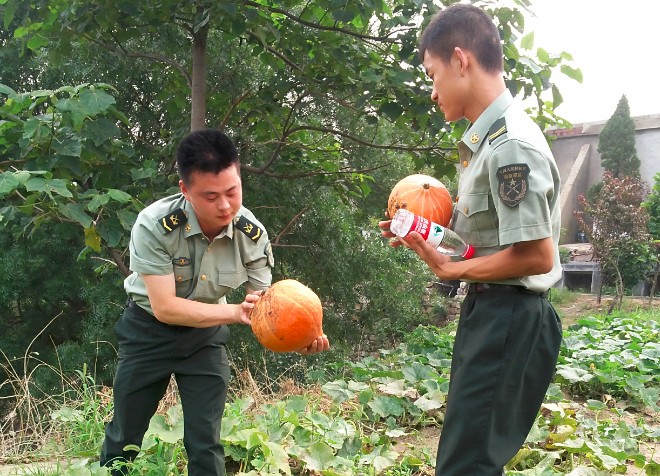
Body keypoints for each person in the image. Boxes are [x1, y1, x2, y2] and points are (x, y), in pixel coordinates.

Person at [380, 5, 563, 475]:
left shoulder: (510, 146)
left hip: (509, 317)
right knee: (470, 458)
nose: (433, 89)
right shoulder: (485, 145)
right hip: (491, 313)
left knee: (466, 465)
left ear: (461, 60)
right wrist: (427, 237)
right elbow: (486, 242)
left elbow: (537, 255)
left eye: (432, 73)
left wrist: (452, 270)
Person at [100, 129, 330, 476]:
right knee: (125, 436)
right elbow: (165, 307)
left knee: (206, 441)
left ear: (239, 178)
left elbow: (269, 310)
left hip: (204, 339)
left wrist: (300, 340)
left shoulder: (251, 234)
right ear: (185, 191)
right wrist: (235, 312)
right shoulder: (154, 225)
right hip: (148, 331)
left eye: (232, 192)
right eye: (210, 196)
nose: (225, 206)